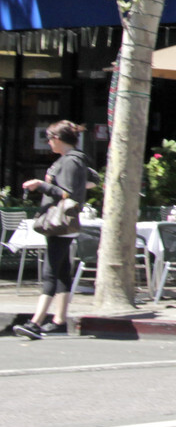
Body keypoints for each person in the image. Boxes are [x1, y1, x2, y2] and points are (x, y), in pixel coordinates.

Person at [16, 120, 92, 339]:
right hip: (64, 224)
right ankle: (59, 320)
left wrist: (41, 185)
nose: (48, 143)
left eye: (49, 139)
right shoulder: (73, 160)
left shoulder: (70, 161)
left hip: (61, 224)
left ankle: (35, 322)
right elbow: (91, 181)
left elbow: (67, 194)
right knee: (60, 271)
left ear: (57, 139)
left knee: (50, 271)